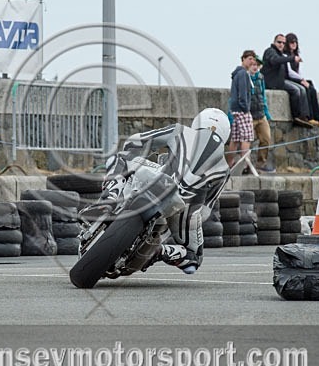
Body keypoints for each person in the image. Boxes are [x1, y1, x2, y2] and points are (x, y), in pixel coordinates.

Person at [97, 108, 232, 274]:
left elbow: (135, 141)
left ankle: (110, 197)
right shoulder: (225, 169)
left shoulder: (179, 130)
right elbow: (205, 210)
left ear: (198, 122)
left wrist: (138, 154)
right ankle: (158, 251)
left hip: (159, 177)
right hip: (184, 208)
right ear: (226, 134)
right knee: (193, 260)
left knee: (117, 158)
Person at [261, 34, 313, 128]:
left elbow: (288, 72)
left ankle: (304, 116)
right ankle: (296, 116)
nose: (281, 44)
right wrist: (292, 58)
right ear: (274, 42)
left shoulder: (281, 54)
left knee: (302, 89)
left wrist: (300, 79)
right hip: (273, 83)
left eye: (283, 43)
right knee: (295, 90)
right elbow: (275, 60)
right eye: (279, 42)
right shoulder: (270, 51)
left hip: (281, 80)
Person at [284, 33, 319, 125]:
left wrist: (303, 79)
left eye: (295, 42)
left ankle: (318, 117)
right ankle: (308, 116)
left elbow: (298, 70)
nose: (294, 44)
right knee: (305, 89)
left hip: (297, 77)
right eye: (291, 42)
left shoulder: (296, 55)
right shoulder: (286, 56)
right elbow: (289, 72)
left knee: (312, 88)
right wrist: (301, 79)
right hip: (290, 78)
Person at [227, 50, 256, 167]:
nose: (252, 61)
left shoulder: (237, 73)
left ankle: (229, 163)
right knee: (246, 138)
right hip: (242, 110)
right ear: (243, 59)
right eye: (249, 59)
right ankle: (245, 165)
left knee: (235, 139)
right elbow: (242, 94)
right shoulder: (243, 73)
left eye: (253, 59)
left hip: (234, 110)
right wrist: (246, 109)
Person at [250, 55, 275, 172]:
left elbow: (263, 96)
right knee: (246, 141)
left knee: (266, 139)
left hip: (261, 114)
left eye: (257, 65)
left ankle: (261, 164)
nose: (255, 67)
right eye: (253, 65)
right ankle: (246, 165)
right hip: (249, 115)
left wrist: (267, 113)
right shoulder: (244, 77)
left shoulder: (260, 78)